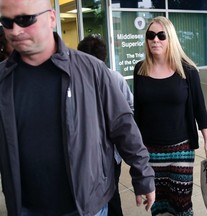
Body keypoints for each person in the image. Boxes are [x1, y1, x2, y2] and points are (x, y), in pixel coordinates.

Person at [0, 0, 155, 215]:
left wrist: (143, 175)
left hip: (88, 206)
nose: (15, 30)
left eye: (25, 19)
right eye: (6, 22)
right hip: (25, 208)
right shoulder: (3, 80)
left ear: (52, 18)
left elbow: (123, 125)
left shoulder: (91, 70)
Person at [133, 16, 207, 216]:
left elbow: (199, 108)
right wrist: (135, 148)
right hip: (150, 150)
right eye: (151, 35)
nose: (155, 40)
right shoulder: (140, 69)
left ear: (170, 38)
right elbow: (138, 111)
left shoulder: (187, 70)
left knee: (181, 204)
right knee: (157, 204)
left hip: (181, 148)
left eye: (161, 35)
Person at [77, 34, 134, 216]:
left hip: (101, 152)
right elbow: (130, 109)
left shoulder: (113, 79)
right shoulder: (115, 78)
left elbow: (129, 109)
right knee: (111, 192)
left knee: (108, 193)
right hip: (106, 152)